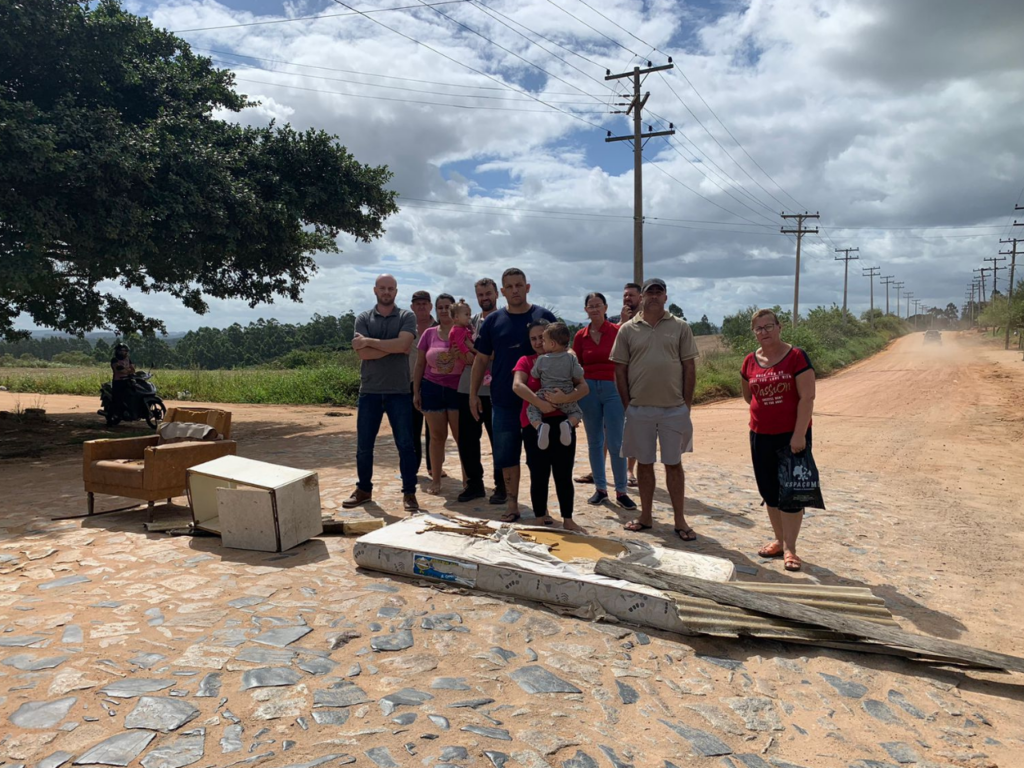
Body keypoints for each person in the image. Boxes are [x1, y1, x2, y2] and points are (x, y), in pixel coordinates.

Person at [610, 278, 699, 540]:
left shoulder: (681, 327)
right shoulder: (627, 329)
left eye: (659, 293)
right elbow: (620, 369)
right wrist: (628, 405)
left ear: (666, 298)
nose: (655, 297)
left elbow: (689, 367)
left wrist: (687, 404)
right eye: (650, 292)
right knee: (644, 464)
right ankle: (646, 516)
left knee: (674, 464)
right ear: (643, 297)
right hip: (639, 409)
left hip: (674, 409)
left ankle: (680, 520)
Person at [470, 268, 557, 522]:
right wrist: (473, 394)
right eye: (510, 286)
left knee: (540, 458)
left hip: (541, 403)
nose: (515, 290)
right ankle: (512, 504)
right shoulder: (493, 322)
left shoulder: (545, 317)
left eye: (519, 285)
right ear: (503, 291)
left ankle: (541, 509)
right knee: (507, 456)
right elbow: (480, 360)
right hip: (505, 401)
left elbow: (563, 354)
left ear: (527, 287)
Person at [740, 309, 816, 572]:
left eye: (769, 326)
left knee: (792, 494)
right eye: (759, 328)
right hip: (760, 435)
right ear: (754, 332)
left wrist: (799, 434)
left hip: (791, 436)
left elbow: (807, 397)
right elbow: (748, 396)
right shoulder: (750, 360)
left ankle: (791, 549)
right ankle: (779, 540)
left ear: (779, 327)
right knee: (770, 492)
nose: (764, 332)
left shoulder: (796, 356)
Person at [344, 274, 419, 513]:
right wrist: (393, 346)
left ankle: (409, 493)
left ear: (396, 292)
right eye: (383, 288)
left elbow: (405, 346)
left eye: (391, 289)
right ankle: (363, 489)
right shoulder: (363, 318)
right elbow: (364, 354)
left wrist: (371, 342)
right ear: (375, 290)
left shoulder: (407, 316)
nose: (387, 292)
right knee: (364, 446)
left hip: (399, 391)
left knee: (406, 445)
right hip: (370, 391)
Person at [512, 319, 588, 530]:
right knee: (538, 473)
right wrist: (542, 404)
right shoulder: (526, 361)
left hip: (560, 422)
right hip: (535, 424)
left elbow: (583, 387)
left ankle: (568, 519)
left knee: (564, 473)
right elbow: (517, 385)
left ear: (550, 339)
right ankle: (539, 517)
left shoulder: (566, 359)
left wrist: (563, 400)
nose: (537, 342)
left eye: (541, 337)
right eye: (533, 338)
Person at [574, 293, 636, 511]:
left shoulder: (617, 332)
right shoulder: (580, 336)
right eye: (590, 306)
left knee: (616, 441)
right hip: (589, 390)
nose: (594, 309)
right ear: (585, 310)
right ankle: (600, 489)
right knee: (595, 441)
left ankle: (621, 491)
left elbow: (627, 362)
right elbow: (577, 366)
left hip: (613, 389)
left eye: (598, 305)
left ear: (605, 307)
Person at [456, 278, 507, 504]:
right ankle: (474, 484)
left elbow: (497, 354)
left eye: (488, 293)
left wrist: (477, 353)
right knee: (467, 440)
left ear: (497, 294)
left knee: (499, 441)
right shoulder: (470, 322)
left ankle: (502, 486)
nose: (484, 298)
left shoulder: (504, 320)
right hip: (469, 388)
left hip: (496, 390)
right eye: (480, 295)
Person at [413, 293, 463, 496]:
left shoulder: (464, 332)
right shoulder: (429, 334)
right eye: (440, 307)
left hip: (457, 390)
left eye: (447, 306)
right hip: (432, 388)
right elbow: (420, 363)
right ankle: (436, 480)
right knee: (436, 436)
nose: (443, 310)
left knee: (462, 438)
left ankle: (468, 479)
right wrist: (416, 390)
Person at [526, 322, 584, 448]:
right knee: (577, 413)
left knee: (532, 409)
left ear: (552, 344)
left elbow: (534, 374)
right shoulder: (571, 358)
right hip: (566, 393)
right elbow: (579, 373)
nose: (542, 343)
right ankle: (568, 424)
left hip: (546, 394)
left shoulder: (542, 359)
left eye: (544, 341)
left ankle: (540, 426)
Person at [409, 290, 437, 476]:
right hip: (409, 382)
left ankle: (433, 466)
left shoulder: (439, 327)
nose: (421, 306)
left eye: (424, 303)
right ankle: (413, 466)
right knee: (412, 427)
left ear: (430, 306)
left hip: (433, 382)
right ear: (412, 307)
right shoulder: (405, 327)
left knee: (434, 429)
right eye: (417, 304)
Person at [109, 343, 135, 418]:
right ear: (117, 351)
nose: (124, 352)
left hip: (127, 380)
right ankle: (110, 418)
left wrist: (126, 370)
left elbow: (133, 370)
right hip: (118, 382)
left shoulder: (128, 359)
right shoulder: (114, 360)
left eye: (125, 351)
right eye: (122, 351)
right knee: (116, 399)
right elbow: (119, 370)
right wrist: (128, 370)